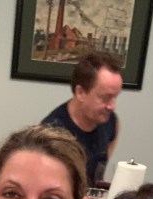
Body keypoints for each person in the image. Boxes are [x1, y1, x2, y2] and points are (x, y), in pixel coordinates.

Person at [41, 51, 123, 186]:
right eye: (105, 98)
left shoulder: (112, 122)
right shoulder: (51, 133)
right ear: (80, 93)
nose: (112, 106)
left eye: (115, 97)